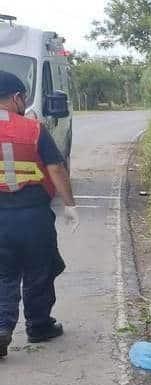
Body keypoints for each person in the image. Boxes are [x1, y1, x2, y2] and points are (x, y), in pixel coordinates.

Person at [0, 71, 78, 358]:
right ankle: (39, 325)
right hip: (33, 214)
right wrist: (69, 204)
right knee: (38, 269)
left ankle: (1, 327)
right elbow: (56, 168)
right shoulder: (33, 129)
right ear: (16, 98)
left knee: (3, 274)